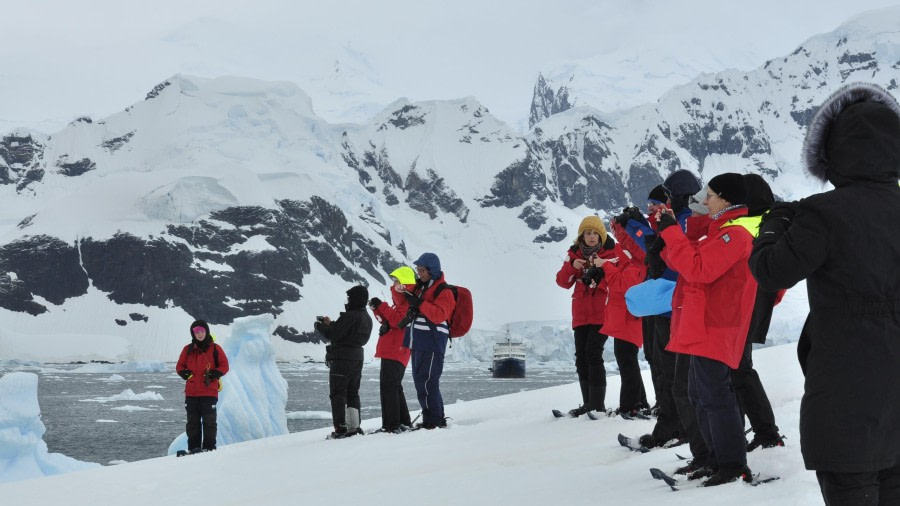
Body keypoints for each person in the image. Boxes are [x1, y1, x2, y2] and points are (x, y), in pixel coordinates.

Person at [749, 83, 900, 505]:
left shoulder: (822, 214)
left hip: (846, 397)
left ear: (831, 155)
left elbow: (771, 271)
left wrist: (773, 224)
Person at [658, 172, 757, 486]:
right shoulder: (720, 231)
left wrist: (672, 231)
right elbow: (682, 259)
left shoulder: (736, 234)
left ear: (726, 199)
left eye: (710, 195)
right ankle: (715, 459)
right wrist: (683, 223)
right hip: (704, 324)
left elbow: (698, 268)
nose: (703, 200)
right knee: (698, 394)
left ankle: (732, 465)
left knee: (714, 395)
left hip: (717, 325)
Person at [732, 173, 785, 452]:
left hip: (742, 303)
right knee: (738, 369)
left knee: (737, 370)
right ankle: (757, 432)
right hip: (756, 301)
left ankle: (765, 433)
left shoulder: (745, 224)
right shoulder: (770, 222)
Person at [555, 215, 618, 416]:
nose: (591, 237)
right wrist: (570, 267)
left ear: (601, 235)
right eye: (587, 233)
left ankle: (597, 405)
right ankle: (587, 403)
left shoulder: (611, 253)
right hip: (581, 313)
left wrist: (599, 271)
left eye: (594, 233)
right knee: (581, 357)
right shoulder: (573, 255)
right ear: (581, 236)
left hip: (601, 312)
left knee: (593, 353)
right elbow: (562, 282)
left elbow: (616, 281)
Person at [400, 253, 456, 429]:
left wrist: (419, 303)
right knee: (420, 381)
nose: (419, 274)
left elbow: (439, 315)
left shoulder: (443, 291)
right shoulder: (421, 288)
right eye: (418, 270)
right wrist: (401, 292)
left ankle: (434, 421)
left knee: (427, 380)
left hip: (431, 341)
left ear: (432, 271)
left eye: (422, 270)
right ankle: (432, 418)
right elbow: (406, 304)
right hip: (418, 341)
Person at [315, 285, 373, 439]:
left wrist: (320, 326)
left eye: (349, 298)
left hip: (342, 358)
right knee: (353, 392)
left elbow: (334, 334)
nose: (347, 300)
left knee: (338, 393)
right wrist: (332, 323)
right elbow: (345, 332)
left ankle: (340, 428)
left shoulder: (350, 316)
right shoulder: (366, 317)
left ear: (355, 299)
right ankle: (354, 426)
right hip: (357, 358)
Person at [369, 266, 415, 433]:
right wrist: (377, 309)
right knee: (394, 386)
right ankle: (403, 422)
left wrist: (383, 306)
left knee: (388, 387)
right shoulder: (401, 303)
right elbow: (388, 321)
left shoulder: (408, 301)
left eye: (397, 281)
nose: (394, 284)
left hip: (396, 350)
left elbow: (397, 321)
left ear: (404, 282)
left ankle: (391, 425)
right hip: (395, 350)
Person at [176, 319, 229, 453]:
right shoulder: (187, 349)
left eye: (202, 331)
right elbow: (179, 366)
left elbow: (224, 365)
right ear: (193, 334)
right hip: (192, 393)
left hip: (209, 392)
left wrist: (215, 373)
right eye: (196, 331)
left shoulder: (216, 349)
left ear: (206, 332)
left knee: (209, 422)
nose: (199, 334)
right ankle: (194, 448)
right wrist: (184, 373)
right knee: (192, 423)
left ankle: (209, 448)